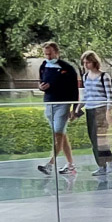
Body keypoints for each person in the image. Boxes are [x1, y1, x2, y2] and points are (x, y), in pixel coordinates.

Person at [36, 41, 80, 177]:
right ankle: (71, 164)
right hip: (49, 103)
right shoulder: (43, 66)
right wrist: (40, 87)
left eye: (50, 54)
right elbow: (41, 81)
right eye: (46, 54)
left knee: (58, 135)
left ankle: (50, 164)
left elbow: (74, 89)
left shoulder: (67, 68)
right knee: (60, 134)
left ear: (56, 52)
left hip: (63, 104)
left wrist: (74, 109)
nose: (48, 57)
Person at [74, 51, 112, 177]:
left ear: (94, 62)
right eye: (84, 62)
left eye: (88, 62)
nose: (86, 65)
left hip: (101, 108)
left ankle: (108, 161)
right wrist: (78, 107)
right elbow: (86, 95)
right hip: (90, 109)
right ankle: (102, 165)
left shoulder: (104, 76)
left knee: (101, 138)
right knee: (93, 139)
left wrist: (109, 111)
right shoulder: (86, 76)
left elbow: (110, 95)